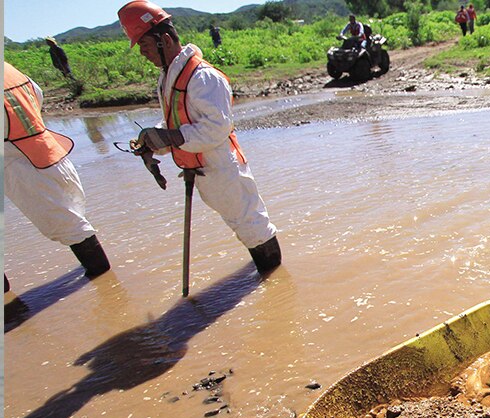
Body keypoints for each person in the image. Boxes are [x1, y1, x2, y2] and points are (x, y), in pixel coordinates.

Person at [118, 0, 282, 274]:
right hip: (204, 168)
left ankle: (276, 285)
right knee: (242, 226)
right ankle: (271, 281)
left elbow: (216, 128)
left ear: (165, 39)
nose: (144, 55)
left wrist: (168, 137)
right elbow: (178, 121)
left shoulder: (203, 77)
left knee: (252, 226)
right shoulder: (169, 76)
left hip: (222, 167)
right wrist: (153, 142)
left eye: (145, 47)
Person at [4, 61, 111, 281]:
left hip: (19, 159)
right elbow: (37, 94)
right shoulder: (8, 70)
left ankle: (103, 279)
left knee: (68, 224)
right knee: (71, 218)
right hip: (47, 147)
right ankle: (105, 282)